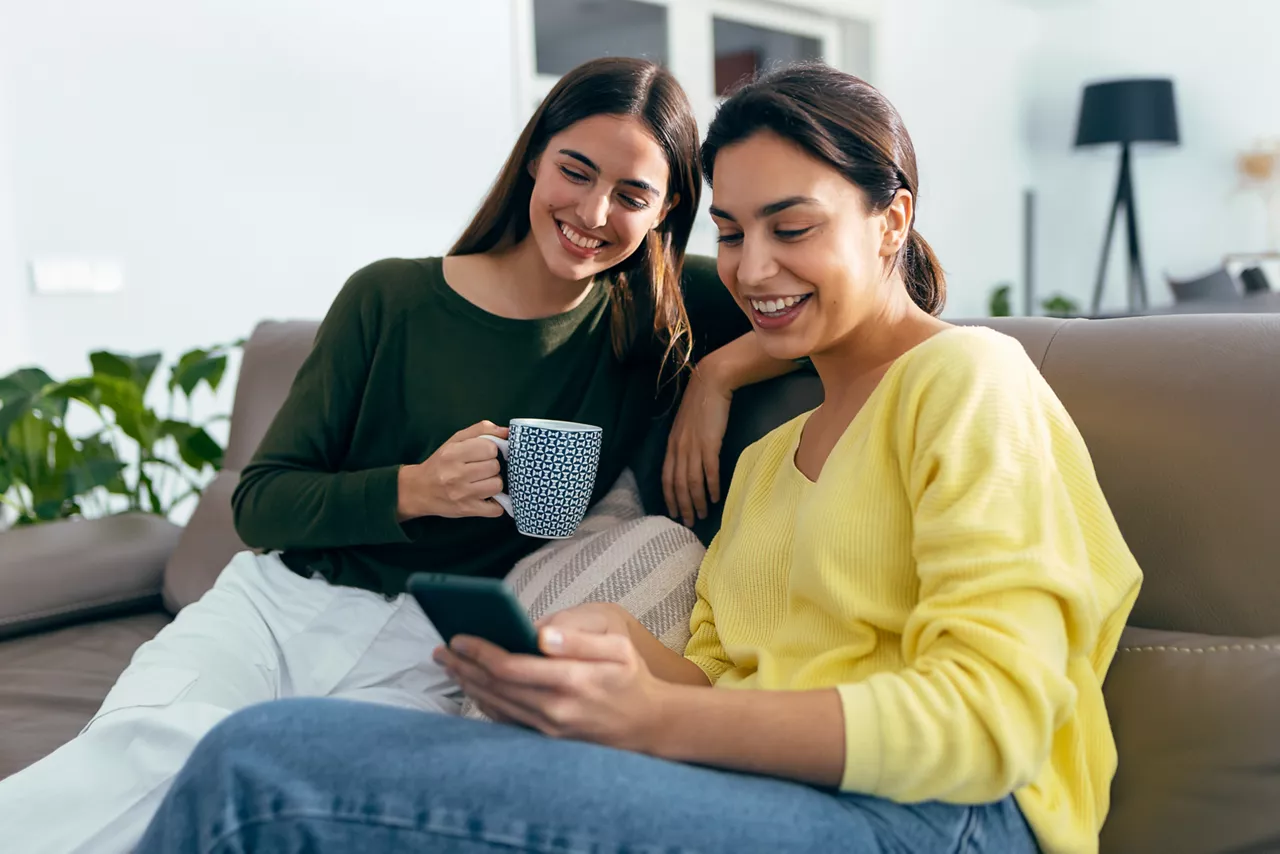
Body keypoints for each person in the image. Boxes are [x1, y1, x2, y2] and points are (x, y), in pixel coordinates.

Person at [135, 64, 1144, 854]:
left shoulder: (968, 380)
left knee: (260, 767)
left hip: (938, 815)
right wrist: (612, 659)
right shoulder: (768, 459)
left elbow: (990, 717)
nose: (751, 270)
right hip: (775, 790)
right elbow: (718, 680)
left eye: (791, 227)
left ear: (890, 219)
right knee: (292, 748)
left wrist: (654, 716)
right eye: (732, 232)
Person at [0, 57, 797, 854]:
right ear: (533, 156)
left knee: (306, 812)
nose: (593, 212)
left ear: (666, 212)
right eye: (575, 171)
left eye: (632, 195)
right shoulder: (390, 298)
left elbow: (842, 298)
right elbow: (262, 501)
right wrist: (416, 488)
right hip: (277, 611)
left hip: (431, 655)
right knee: (149, 759)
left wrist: (716, 376)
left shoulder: (657, 315)